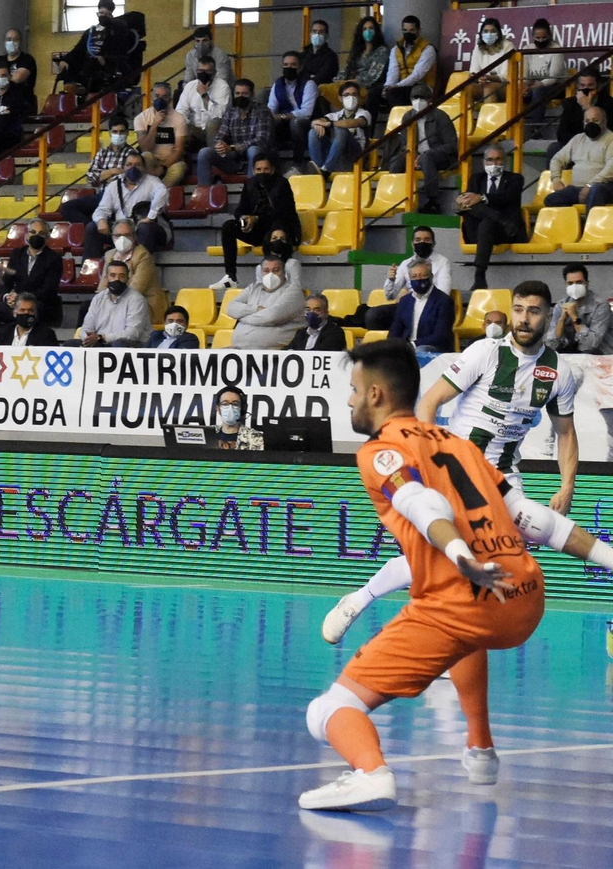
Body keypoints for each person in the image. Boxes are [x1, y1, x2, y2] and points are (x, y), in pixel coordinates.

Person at [297, 337, 556, 811]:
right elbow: (536, 521)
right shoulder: (463, 444)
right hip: (523, 595)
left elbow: (422, 505)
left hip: (456, 594)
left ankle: (371, 773)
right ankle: (480, 746)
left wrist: (460, 555)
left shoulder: (379, 451)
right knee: (467, 631)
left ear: (376, 394)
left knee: (327, 710)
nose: (351, 399)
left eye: (354, 390)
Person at [326, 284, 613, 646]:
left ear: (549, 314)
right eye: (519, 309)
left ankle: (362, 600)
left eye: (534, 311)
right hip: (458, 468)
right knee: (506, 531)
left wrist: (567, 485)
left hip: (504, 474)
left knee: (459, 556)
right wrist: (428, 459)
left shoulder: (559, 372)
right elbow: (429, 402)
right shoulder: (486, 353)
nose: (524, 318)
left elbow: (566, 433)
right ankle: (366, 603)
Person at [213, 154, 298, 289]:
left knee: (276, 231)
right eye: (259, 169)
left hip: (281, 228)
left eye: (266, 169)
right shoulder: (249, 184)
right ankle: (231, 277)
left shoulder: (282, 183)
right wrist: (243, 219)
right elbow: (240, 209)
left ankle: (278, 277)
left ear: (272, 170)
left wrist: (256, 218)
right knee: (229, 226)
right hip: (257, 230)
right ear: (253, 170)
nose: (262, 172)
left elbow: (283, 212)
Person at [378, 83, 457, 214]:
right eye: (415, 98)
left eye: (423, 98)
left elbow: (451, 145)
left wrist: (426, 154)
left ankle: (433, 201)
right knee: (396, 161)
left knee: (427, 158)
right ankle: (395, 196)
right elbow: (404, 143)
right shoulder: (407, 117)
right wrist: (413, 156)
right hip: (416, 154)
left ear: (430, 100)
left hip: (443, 156)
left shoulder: (440, 117)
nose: (419, 102)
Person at [80, 152, 170, 261]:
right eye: (129, 164)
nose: (133, 168)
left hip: (148, 229)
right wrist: (101, 220)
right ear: (123, 167)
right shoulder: (113, 186)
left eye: (137, 165)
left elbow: (162, 193)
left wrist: (150, 217)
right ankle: (90, 271)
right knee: (92, 227)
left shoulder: (152, 182)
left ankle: (140, 266)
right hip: (122, 231)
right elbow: (102, 209)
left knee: (145, 228)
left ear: (144, 167)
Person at [459, 147, 526, 293]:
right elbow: (468, 202)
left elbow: (506, 198)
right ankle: (499, 219)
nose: (494, 162)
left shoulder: (516, 179)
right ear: (484, 162)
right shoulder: (476, 179)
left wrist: (482, 197)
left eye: (498, 159)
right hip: (483, 231)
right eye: (490, 159)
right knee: (474, 211)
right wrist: (462, 201)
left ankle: (479, 276)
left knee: (486, 222)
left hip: (507, 232)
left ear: (504, 160)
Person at [0, 217, 62, 332]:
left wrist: (20, 298)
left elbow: (48, 290)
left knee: (29, 312)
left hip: (40, 305)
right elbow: (6, 281)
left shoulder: (54, 258)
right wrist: (7, 297)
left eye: (41, 233)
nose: (36, 236)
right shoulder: (17, 254)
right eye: (33, 232)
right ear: (27, 236)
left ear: (47, 237)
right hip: (15, 304)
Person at [371, 226, 450, 333]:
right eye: (418, 240)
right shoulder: (405, 264)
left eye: (427, 240)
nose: (422, 243)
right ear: (412, 244)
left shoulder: (442, 262)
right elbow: (390, 296)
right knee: (373, 315)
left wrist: (415, 294)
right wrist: (391, 280)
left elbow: (444, 292)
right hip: (408, 304)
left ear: (433, 243)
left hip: (431, 305)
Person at [197, 78, 270, 184]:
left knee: (253, 150)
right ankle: (205, 194)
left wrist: (233, 147)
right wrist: (220, 144)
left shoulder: (263, 112)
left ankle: (252, 189)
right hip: (234, 161)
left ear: (252, 94)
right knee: (204, 152)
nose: (240, 96)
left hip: (259, 162)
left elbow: (261, 140)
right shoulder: (230, 113)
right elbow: (220, 136)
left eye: (245, 93)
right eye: (237, 93)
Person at [57, 0, 134, 97]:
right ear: (97, 13)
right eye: (101, 13)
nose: (104, 16)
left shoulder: (118, 32)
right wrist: (65, 60)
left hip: (109, 64)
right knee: (70, 65)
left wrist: (105, 59)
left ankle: (84, 88)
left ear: (111, 15)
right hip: (89, 63)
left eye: (107, 14)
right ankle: (75, 86)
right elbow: (78, 49)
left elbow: (121, 52)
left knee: (92, 63)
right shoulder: (90, 32)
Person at [226, 255, 305, 349]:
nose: (270, 274)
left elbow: (271, 316)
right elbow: (231, 308)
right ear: (261, 273)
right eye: (266, 271)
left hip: (276, 352)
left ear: (283, 272)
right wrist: (256, 309)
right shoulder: (253, 288)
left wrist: (241, 318)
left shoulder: (293, 291)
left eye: (276, 270)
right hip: (240, 350)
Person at [546, 108, 613, 208]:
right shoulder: (577, 139)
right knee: (551, 200)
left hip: (603, 187)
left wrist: (590, 185)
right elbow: (557, 159)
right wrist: (556, 180)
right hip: (577, 189)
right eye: (587, 121)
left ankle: (590, 223)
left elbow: (611, 168)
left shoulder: (610, 139)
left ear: (604, 122)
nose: (591, 124)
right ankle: (573, 222)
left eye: (595, 121)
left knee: (596, 191)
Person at [386, 260, 454, 352]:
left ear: (431, 276)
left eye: (423, 275)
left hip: (432, 348)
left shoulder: (444, 301)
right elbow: (395, 329)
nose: (418, 279)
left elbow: (441, 335)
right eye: (414, 276)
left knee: (420, 350)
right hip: (406, 347)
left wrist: (413, 345)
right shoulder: (405, 301)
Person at [75, 262, 149, 347]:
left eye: (121, 276)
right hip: (102, 342)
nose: (117, 279)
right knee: (71, 344)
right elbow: (87, 326)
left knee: (118, 344)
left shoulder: (137, 300)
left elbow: (132, 334)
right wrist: (87, 338)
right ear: (106, 277)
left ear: (127, 278)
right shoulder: (99, 298)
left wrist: (101, 337)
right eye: (113, 275)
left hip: (130, 345)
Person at [105, 220, 166, 322]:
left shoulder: (143, 255)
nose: (122, 239)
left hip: (144, 303)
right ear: (112, 237)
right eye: (118, 235)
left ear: (134, 237)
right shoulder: (109, 255)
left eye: (127, 235)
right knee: (88, 307)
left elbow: (136, 289)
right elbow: (103, 284)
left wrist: (113, 304)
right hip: (117, 302)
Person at [308, 80, 371, 175]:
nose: (351, 97)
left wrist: (330, 124)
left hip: (355, 156)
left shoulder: (364, 113)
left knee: (342, 131)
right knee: (313, 132)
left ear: (358, 97)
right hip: (336, 155)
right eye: (347, 95)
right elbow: (316, 122)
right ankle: (319, 169)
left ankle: (326, 169)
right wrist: (316, 124)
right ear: (340, 98)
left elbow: (354, 122)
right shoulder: (335, 115)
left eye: (354, 94)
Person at [548, 265, 611, 355]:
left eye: (579, 282)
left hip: (600, 356)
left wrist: (575, 318)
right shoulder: (560, 305)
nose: (574, 287)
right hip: (571, 356)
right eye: (570, 283)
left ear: (587, 284)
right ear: (565, 285)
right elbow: (550, 344)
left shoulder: (601, 306)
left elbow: (590, 344)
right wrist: (562, 319)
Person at [134, 82, 188, 187]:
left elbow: (178, 150)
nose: (160, 100)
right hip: (151, 160)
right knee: (145, 156)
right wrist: (155, 125)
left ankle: (158, 191)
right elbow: (145, 148)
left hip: (171, 161)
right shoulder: (141, 118)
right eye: (157, 96)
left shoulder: (179, 118)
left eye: (164, 96)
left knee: (180, 168)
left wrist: (163, 167)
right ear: (151, 98)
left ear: (170, 99)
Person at [176, 56, 230, 155]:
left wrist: (204, 95)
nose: (203, 74)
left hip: (217, 129)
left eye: (208, 71)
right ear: (196, 71)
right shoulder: (190, 86)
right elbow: (180, 111)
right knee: (179, 123)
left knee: (212, 124)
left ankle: (213, 157)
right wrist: (185, 124)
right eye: (200, 71)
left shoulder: (223, 87)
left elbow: (217, 115)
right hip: (196, 128)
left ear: (214, 72)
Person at [338, 17, 389, 118]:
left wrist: (352, 81)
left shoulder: (382, 51)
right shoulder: (357, 51)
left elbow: (373, 76)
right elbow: (347, 69)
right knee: (323, 89)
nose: (368, 32)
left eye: (371, 28)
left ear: (376, 31)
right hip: (349, 84)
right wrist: (338, 79)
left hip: (367, 86)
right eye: (364, 29)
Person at [383, 15, 436, 108]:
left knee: (395, 93)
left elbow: (417, 75)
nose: (408, 33)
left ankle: (403, 120)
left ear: (419, 31)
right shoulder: (396, 49)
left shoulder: (428, 49)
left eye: (411, 30)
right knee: (375, 93)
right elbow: (393, 71)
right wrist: (387, 86)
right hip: (401, 86)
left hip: (422, 86)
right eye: (405, 30)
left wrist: (397, 86)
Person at [269, 53, 318, 152]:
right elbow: (271, 108)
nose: (289, 67)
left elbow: (306, 112)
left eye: (293, 65)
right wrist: (271, 117)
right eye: (286, 65)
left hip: (306, 122)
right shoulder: (278, 84)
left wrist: (282, 116)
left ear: (300, 67)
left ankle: (298, 161)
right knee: (267, 122)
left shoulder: (309, 84)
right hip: (284, 122)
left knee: (295, 123)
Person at [467, 18, 514, 108]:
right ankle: (468, 121)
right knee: (467, 88)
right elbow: (474, 71)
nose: (489, 34)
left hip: (506, 85)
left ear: (499, 33)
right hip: (483, 84)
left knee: (489, 89)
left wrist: (488, 77)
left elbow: (506, 76)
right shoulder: (478, 48)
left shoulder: (508, 46)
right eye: (485, 31)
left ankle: (490, 121)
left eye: (493, 31)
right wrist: (475, 77)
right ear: (481, 34)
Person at [0, 28, 38, 108]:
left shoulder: (27, 59)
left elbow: (17, 78)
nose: (11, 42)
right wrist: (9, 76)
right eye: (9, 39)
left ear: (20, 42)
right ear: (4, 42)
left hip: (22, 101)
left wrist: (0, 78)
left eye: (15, 40)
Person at [211, 385, 263, 450]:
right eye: (225, 404)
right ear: (218, 409)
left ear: (242, 408)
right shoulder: (209, 434)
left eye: (235, 404)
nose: (230, 408)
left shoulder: (255, 438)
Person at [300, 20, 339, 89]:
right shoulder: (303, 55)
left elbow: (323, 77)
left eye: (321, 32)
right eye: (314, 31)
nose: (317, 35)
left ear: (326, 35)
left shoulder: (331, 56)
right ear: (310, 34)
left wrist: (308, 78)